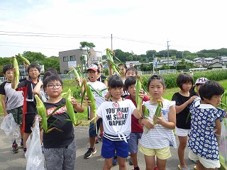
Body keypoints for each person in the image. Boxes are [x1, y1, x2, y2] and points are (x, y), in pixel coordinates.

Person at [92, 74, 142, 170]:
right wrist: (89, 104)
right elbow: (94, 119)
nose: (117, 91)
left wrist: (139, 100)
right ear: (109, 90)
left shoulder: (128, 103)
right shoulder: (104, 105)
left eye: (119, 88)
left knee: (122, 165)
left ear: (123, 89)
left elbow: (138, 115)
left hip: (123, 139)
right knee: (108, 165)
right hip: (108, 140)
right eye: (114, 88)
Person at [42, 75, 84, 170]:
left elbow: (81, 110)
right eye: (51, 85)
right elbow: (40, 126)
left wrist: (76, 105)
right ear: (45, 89)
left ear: (62, 88)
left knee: (69, 167)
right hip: (51, 145)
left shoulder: (67, 101)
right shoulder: (43, 106)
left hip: (69, 143)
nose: (55, 87)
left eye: (58, 85)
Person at [139, 74, 176, 170]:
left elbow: (173, 125)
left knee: (161, 167)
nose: (155, 90)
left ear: (164, 89)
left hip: (162, 143)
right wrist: (144, 121)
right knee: (149, 167)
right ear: (148, 89)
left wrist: (162, 122)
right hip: (148, 141)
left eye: (158, 87)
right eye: (152, 87)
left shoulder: (169, 104)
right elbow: (140, 120)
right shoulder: (144, 105)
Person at [188, 80, 226, 170]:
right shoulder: (213, 111)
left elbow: (197, 99)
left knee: (199, 164)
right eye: (216, 97)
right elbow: (218, 131)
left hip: (195, 142)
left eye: (220, 96)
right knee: (212, 167)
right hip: (208, 146)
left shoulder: (196, 104)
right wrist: (217, 141)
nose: (219, 100)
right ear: (205, 98)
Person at [13, 63, 42, 153]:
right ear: (28, 73)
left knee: (40, 128)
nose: (33, 72)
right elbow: (14, 86)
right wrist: (15, 75)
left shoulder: (43, 82)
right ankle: (25, 147)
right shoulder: (26, 83)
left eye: (35, 70)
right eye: (31, 70)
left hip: (41, 109)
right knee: (27, 130)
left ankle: (39, 146)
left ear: (39, 72)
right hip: (29, 109)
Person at [171, 73, 197, 170]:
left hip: (193, 124)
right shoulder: (176, 96)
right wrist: (188, 101)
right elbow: (176, 110)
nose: (188, 85)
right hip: (181, 125)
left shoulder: (194, 94)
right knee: (183, 144)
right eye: (185, 83)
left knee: (195, 143)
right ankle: (182, 164)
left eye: (190, 83)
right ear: (180, 84)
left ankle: (197, 162)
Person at [124, 76, 150, 170]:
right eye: (131, 87)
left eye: (136, 86)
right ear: (127, 89)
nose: (134, 89)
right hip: (132, 131)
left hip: (144, 129)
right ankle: (136, 166)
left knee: (148, 150)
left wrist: (145, 99)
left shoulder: (146, 99)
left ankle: (150, 166)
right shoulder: (126, 101)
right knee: (133, 151)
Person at [84, 64, 108, 159]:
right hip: (93, 113)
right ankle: (92, 148)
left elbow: (106, 97)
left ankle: (107, 149)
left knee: (106, 132)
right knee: (92, 131)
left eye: (93, 72)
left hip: (104, 112)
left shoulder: (102, 85)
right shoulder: (87, 85)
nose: (91, 74)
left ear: (98, 74)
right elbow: (84, 97)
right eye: (89, 72)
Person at [0, 64, 24, 153]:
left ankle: (22, 140)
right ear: (4, 75)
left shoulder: (21, 82)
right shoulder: (3, 85)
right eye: (8, 73)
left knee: (22, 125)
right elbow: (2, 99)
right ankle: (14, 143)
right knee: (12, 128)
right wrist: (5, 111)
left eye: (12, 72)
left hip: (21, 107)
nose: (11, 74)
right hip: (11, 109)